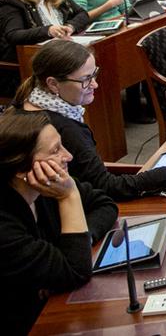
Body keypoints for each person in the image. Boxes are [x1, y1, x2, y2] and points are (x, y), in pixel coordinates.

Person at [14, 40, 166, 198]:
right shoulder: (62, 128)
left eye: (94, 75)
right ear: (53, 84)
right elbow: (105, 186)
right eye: (85, 80)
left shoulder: (28, 102)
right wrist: (165, 175)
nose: (95, 85)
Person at [0, 108, 117, 334]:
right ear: (20, 168)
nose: (68, 156)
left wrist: (79, 238)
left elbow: (104, 204)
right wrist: (68, 197)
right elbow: (76, 271)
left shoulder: (45, 185)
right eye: (55, 150)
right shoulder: (7, 225)